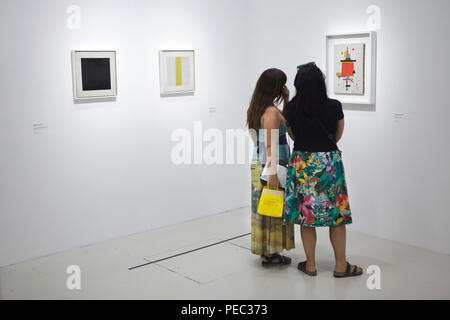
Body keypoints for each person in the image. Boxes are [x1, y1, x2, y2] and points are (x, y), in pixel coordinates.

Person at [283, 63, 363, 278]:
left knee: (306, 216)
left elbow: (292, 136)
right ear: (322, 83)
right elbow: (337, 136)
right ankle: (340, 265)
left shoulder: (290, 109)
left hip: (303, 163)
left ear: (298, 84)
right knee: (336, 216)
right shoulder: (334, 106)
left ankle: (310, 265)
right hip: (329, 163)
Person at [247, 68, 295, 266]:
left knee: (264, 208)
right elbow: (270, 145)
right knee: (274, 208)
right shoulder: (272, 113)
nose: (284, 87)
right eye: (282, 84)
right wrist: (273, 173)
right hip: (273, 167)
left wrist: (286, 100)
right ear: (275, 87)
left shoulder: (256, 109)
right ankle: (271, 253)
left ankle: (266, 251)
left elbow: (257, 139)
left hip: (260, 164)